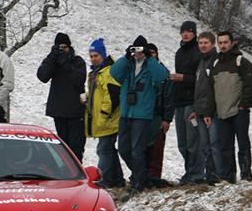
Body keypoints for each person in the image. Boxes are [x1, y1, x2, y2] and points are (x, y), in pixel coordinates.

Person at [110, 36, 168, 196]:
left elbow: (162, 77)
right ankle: (143, 177)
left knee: (137, 150)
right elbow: (114, 73)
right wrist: (125, 56)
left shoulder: (151, 66)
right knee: (123, 149)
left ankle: (139, 182)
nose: (138, 53)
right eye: (135, 49)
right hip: (126, 113)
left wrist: (150, 58)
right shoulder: (128, 64)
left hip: (142, 115)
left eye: (140, 50)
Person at [205, 31, 252, 183]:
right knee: (225, 147)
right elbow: (211, 90)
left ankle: (246, 175)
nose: (222, 45)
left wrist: (243, 105)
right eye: (220, 43)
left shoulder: (242, 62)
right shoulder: (215, 64)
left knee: (243, 144)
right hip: (221, 112)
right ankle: (229, 178)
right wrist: (210, 111)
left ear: (232, 43)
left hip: (239, 111)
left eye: (225, 42)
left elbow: (251, 86)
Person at [37, 32, 87, 161]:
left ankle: (77, 171)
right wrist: (52, 57)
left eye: (64, 47)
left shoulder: (77, 61)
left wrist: (65, 63)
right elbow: (42, 76)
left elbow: (79, 79)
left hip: (75, 112)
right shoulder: (53, 62)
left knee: (76, 147)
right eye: (59, 48)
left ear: (70, 48)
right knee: (63, 148)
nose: (62, 50)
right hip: (59, 111)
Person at [83, 38, 124, 189]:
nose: (93, 59)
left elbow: (113, 94)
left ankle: (105, 178)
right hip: (101, 118)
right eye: (91, 56)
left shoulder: (108, 72)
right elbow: (98, 94)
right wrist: (87, 98)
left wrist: (104, 112)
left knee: (104, 149)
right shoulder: (94, 73)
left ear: (103, 55)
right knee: (109, 149)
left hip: (108, 118)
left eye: (96, 56)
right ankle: (118, 179)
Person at [171, 20, 203, 185]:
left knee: (192, 141)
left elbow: (201, 79)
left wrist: (184, 78)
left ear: (194, 33)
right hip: (179, 101)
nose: (186, 34)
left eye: (189, 31)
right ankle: (188, 171)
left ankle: (197, 173)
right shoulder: (179, 52)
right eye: (183, 31)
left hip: (192, 101)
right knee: (182, 143)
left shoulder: (198, 52)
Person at [144, 43, 174, 187]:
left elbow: (169, 97)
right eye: (148, 52)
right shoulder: (141, 72)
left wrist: (167, 118)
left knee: (156, 150)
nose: (151, 55)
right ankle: (142, 176)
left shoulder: (163, 73)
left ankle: (154, 178)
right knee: (141, 148)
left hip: (158, 116)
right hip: (142, 117)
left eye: (153, 52)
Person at [194, 31, 222, 184]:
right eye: (200, 43)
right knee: (204, 145)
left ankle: (218, 174)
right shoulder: (201, 62)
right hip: (199, 109)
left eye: (206, 43)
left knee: (214, 144)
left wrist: (208, 111)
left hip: (211, 111)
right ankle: (209, 173)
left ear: (212, 44)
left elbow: (212, 89)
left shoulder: (215, 61)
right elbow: (199, 88)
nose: (203, 46)